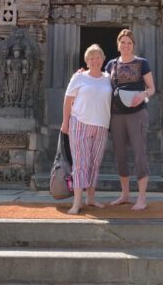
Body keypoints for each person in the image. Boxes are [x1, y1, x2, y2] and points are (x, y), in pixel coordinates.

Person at [105, 29, 155, 211]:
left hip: (137, 114)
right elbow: (102, 85)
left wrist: (143, 95)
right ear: (118, 45)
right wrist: (82, 75)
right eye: (123, 42)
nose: (126, 46)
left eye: (129, 43)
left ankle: (141, 198)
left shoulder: (142, 63)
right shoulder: (110, 65)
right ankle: (125, 195)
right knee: (120, 155)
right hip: (116, 115)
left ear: (133, 45)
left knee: (139, 153)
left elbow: (152, 88)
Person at [61, 44, 112, 215]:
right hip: (80, 123)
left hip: (101, 125)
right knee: (81, 163)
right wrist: (65, 123)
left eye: (98, 57)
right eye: (91, 58)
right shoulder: (79, 78)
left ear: (103, 59)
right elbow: (68, 101)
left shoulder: (108, 78)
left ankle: (91, 198)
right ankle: (77, 202)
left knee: (94, 163)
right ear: (86, 61)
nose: (95, 60)